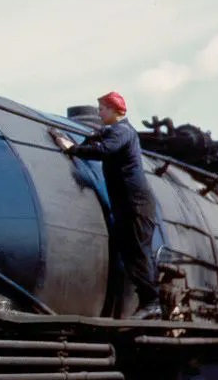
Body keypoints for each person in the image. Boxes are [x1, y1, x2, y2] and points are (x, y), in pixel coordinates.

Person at [52, 91, 161, 320]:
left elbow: (104, 150)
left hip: (136, 204)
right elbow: (100, 140)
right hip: (127, 203)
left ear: (113, 110)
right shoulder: (116, 131)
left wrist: (71, 148)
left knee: (138, 253)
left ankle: (152, 303)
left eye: (102, 109)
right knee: (132, 253)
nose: (99, 113)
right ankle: (147, 302)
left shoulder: (123, 131)